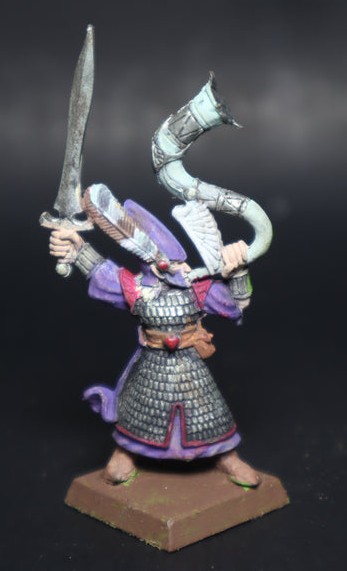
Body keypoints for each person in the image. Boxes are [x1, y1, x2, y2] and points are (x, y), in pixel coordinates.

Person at [49, 193, 261, 487]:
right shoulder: (135, 289)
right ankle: (126, 452)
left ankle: (227, 456)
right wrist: (77, 247)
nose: (180, 267)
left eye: (179, 262)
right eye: (172, 262)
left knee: (209, 413)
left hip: (190, 367)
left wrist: (238, 271)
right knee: (139, 411)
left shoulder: (195, 288)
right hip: (151, 364)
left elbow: (235, 306)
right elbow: (102, 273)